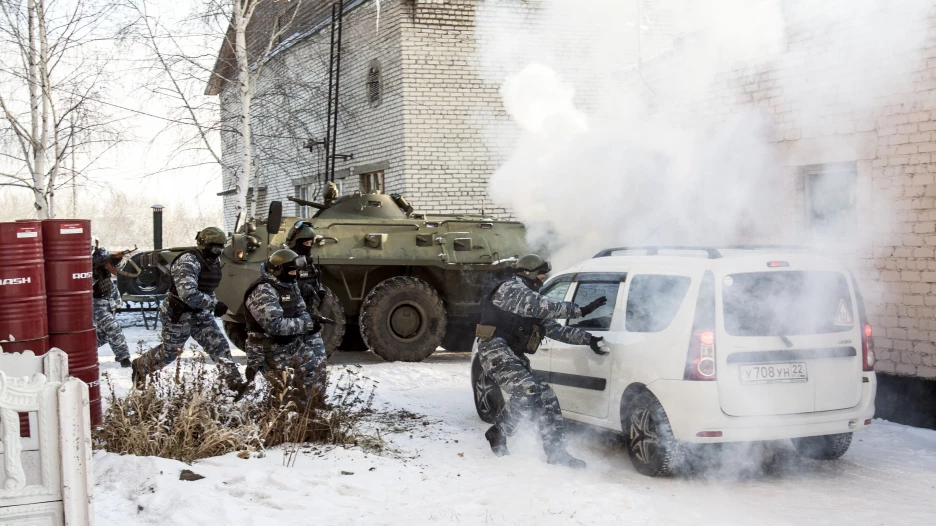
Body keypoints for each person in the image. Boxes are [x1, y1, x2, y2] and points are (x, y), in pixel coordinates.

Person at [476, 254, 609, 469]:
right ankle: (499, 431)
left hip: (512, 353)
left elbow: (555, 329)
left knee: (546, 396)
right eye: (541, 273)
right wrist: (580, 310)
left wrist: (589, 339)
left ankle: (556, 452)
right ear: (528, 273)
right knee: (528, 390)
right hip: (494, 350)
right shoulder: (511, 289)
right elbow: (541, 305)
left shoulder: (531, 299)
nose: (544, 277)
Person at [132, 227, 244, 388]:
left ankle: (234, 384)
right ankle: (140, 366)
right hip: (179, 312)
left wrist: (213, 304)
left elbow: (207, 288)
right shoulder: (188, 261)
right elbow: (188, 294)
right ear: (204, 245)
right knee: (170, 353)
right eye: (214, 247)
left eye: (221, 247)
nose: (218, 251)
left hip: (200, 313)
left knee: (219, 345)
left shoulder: (213, 261)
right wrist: (214, 304)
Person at [243, 249, 329, 401]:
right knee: (287, 390)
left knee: (315, 369)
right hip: (267, 349)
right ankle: (286, 415)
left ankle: (312, 407)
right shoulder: (263, 290)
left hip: (289, 344)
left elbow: (301, 310)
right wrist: (306, 325)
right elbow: (275, 325)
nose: (295, 274)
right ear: (277, 271)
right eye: (291, 271)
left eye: (296, 270)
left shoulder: (289, 284)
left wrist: (310, 323)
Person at [91, 246, 131, 367]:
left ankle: (80, 349)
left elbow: (119, 268)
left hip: (110, 298)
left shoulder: (99, 252)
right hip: (95, 302)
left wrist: (115, 260)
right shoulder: (77, 259)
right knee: (112, 327)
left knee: (103, 334)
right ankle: (124, 358)